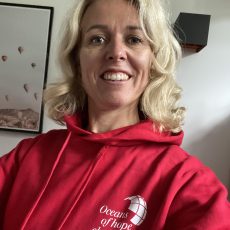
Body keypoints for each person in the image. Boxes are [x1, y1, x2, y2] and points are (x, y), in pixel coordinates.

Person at [0, 0, 229, 229]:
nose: (116, 52)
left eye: (134, 39)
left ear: (153, 61)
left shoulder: (186, 181)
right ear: (77, 61)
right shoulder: (28, 155)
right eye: (97, 39)